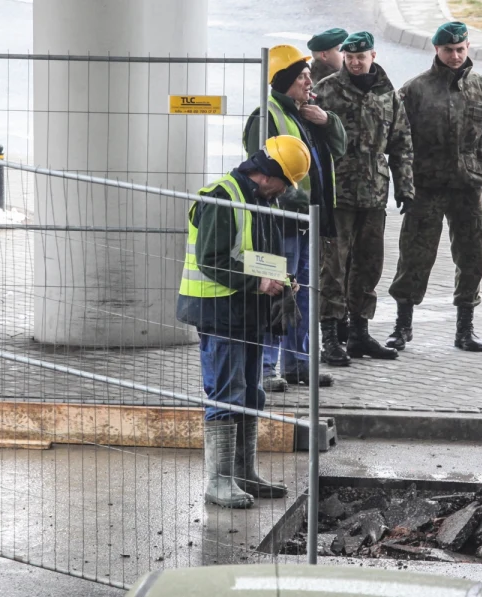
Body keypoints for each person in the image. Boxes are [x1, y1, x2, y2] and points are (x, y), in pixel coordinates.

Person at [175, 136, 312, 509]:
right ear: (269, 175)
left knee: (253, 393)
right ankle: (219, 482)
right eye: (286, 182)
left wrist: (278, 279)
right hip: (219, 313)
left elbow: (254, 254)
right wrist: (257, 283)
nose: (286, 191)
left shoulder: (260, 200)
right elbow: (211, 260)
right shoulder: (222, 198)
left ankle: (243, 474)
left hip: (246, 313)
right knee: (226, 394)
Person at [386, 22, 482, 353]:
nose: (455, 55)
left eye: (461, 49)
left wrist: (470, 160)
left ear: (468, 48)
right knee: (415, 255)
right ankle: (402, 325)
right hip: (427, 184)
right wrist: (405, 184)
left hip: (467, 185)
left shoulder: (481, 87)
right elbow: (399, 139)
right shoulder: (416, 89)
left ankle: (466, 328)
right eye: (448, 50)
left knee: (472, 255)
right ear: (436, 50)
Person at [244, 45, 345, 393]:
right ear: (286, 81)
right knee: (276, 291)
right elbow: (260, 171)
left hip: (305, 222)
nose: (309, 81)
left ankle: (298, 364)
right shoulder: (267, 115)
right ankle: (268, 367)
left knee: (302, 294)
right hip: (280, 221)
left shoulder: (307, 113)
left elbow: (338, 151)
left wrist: (329, 121)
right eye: (302, 77)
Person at [312, 31, 415, 365]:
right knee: (334, 266)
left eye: (362, 56)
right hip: (337, 194)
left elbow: (401, 143)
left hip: (374, 193)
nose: (355, 63)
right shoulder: (326, 89)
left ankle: (359, 332)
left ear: (373, 55)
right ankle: (330, 335)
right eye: (350, 57)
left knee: (369, 265)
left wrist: (405, 186)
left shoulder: (388, 94)